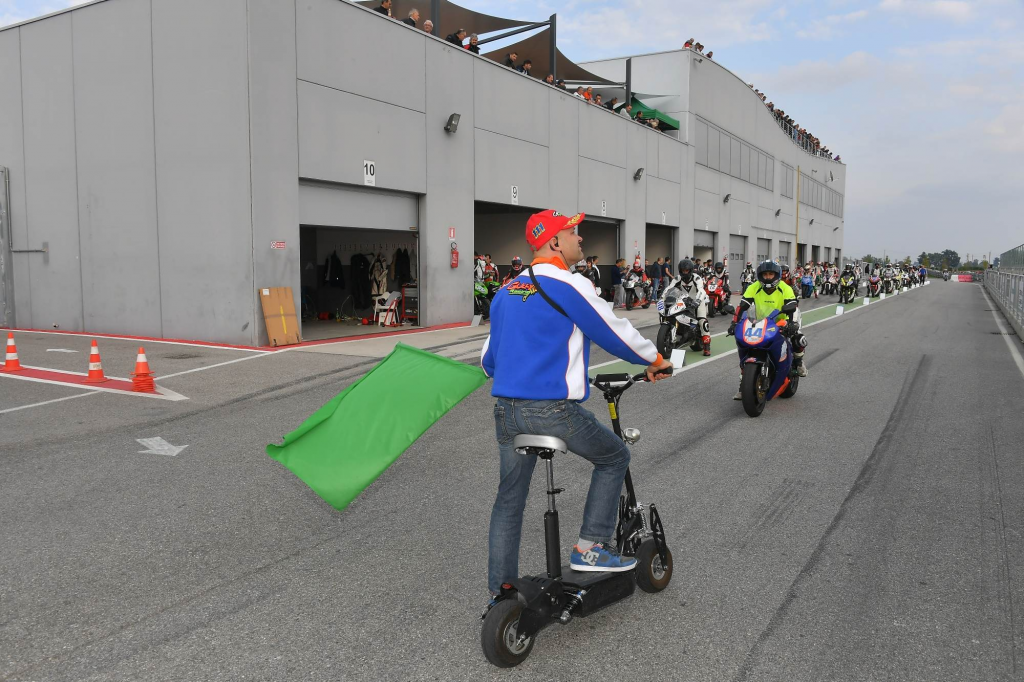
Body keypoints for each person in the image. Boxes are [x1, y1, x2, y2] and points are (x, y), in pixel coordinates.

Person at [481, 209, 672, 599]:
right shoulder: (569, 283)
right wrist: (655, 359)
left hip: (507, 411)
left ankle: (501, 594)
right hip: (550, 410)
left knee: (509, 501)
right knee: (615, 456)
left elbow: (488, 361)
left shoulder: (507, 290)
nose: (580, 238)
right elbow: (614, 330)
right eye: (572, 232)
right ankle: (591, 548)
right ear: (554, 241)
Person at [728, 261, 808, 400]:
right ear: (760, 275)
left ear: (776, 275)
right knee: (744, 340)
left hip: (783, 320)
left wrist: (792, 323)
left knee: (798, 338)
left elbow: (792, 307)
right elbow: (743, 306)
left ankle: (799, 361)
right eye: (765, 274)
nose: (768, 277)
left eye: (771, 274)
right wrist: (734, 323)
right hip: (761, 321)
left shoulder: (785, 288)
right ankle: (744, 384)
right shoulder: (753, 287)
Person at [668, 258, 712, 356]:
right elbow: (669, 289)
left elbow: (701, 290)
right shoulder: (677, 278)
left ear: (691, 270)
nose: (685, 272)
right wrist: (662, 298)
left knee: (702, 321)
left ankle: (706, 346)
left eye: (686, 270)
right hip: (683, 301)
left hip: (697, 300)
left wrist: (698, 301)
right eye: (683, 270)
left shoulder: (696, 278)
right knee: (672, 315)